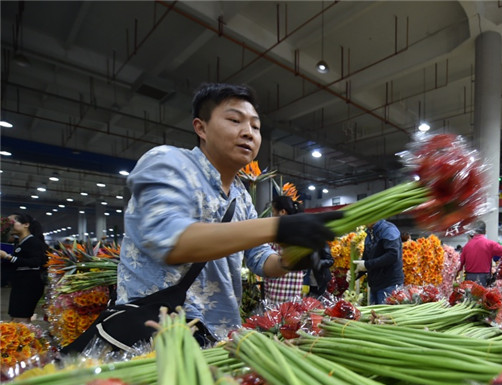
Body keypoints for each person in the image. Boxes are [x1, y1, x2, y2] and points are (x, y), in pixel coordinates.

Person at [116, 82, 340, 339]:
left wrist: (289, 261)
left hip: (217, 335)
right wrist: (279, 227)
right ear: (201, 128)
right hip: (157, 334)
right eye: (235, 120)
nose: (249, 133)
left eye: (255, 127)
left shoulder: (241, 196)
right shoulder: (167, 162)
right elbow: (170, 239)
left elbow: (259, 259)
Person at [0, 213, 49, 322]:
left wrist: (8, 257)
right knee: (15, 317)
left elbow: (35, 262)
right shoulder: (19, 243)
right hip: (20, 283)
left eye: (14, 222)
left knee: (20, 318)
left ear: (26, 224)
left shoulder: (33, 242)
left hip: (29, 284)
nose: (11, 226)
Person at [263, 194, 305, 305]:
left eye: (273, 212)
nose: (272, 215)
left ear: (282, 212)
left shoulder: (276, 232)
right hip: (295, 283)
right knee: (292, 316)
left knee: (276, 318)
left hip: (278, 285)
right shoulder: (300, 230)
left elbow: (267, 257)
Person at [459, 221, 502, 286]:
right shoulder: (489, 244)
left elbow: (460, 263)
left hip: (469, 278)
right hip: (483, 279)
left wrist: (457, 272)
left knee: (469, 295)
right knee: (482, 295)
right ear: (485, 231)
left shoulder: (467, 246)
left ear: (473, 231)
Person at [361, 219, 404, 305]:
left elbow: (393, 255)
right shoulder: (369, 235)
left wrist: (366, 265)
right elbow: (366, 259)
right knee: (375, 316)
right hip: (375, 285)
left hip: (389, 285)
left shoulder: (388, 230)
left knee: (387, 317)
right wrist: (356, 272)